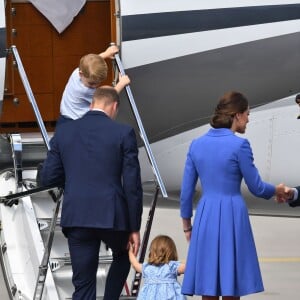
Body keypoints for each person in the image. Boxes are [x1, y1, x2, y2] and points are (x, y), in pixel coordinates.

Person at [180, 91, 289, 300]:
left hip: (206, 214)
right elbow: (256, 187)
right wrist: (277, 190)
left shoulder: (196, 145)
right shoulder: (240, 145)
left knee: (208, 284)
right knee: (231, 284)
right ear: (237, 115)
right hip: (232, 215)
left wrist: (187, 225)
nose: (249, 118)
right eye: (247, 113)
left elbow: (186, 192)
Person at [39, 86, 143, 300]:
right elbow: (132, 185)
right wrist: (134, 226)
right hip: (112, 217)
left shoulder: (64, 132)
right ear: (114, 106)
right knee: (124, 255)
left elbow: (48, 178)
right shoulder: (123, 132)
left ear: (91, 104)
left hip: (77, 216)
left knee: (83, 285)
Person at [58, 45, 130, 125]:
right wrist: (121, 83)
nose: (94, 86)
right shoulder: (85, 90)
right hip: (77, 122)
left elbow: (91, 64)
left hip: (64, 116)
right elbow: (107, 97)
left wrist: (106, 53)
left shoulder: (77, 72)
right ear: (81, 74)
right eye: (91, 83)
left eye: (98, 83)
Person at [129, 235, 186, 300]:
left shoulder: (147, 268)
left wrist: (130, 251)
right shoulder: (171, 267)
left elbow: (135, 264)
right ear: (172, 252)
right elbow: (189, 268)